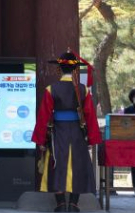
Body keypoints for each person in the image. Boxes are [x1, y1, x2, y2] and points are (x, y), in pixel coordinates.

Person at [32, 50, 101, 213]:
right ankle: (75, 205)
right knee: (77, 164)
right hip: (77, 132)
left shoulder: (51, 89)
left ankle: (61, 204)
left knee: (59, 163)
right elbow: (90, 116)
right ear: (75, 70)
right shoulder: (84, 90)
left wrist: (41, 140)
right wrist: (91, 139)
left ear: (59, 69)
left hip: (58, 131)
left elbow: (43, 116)